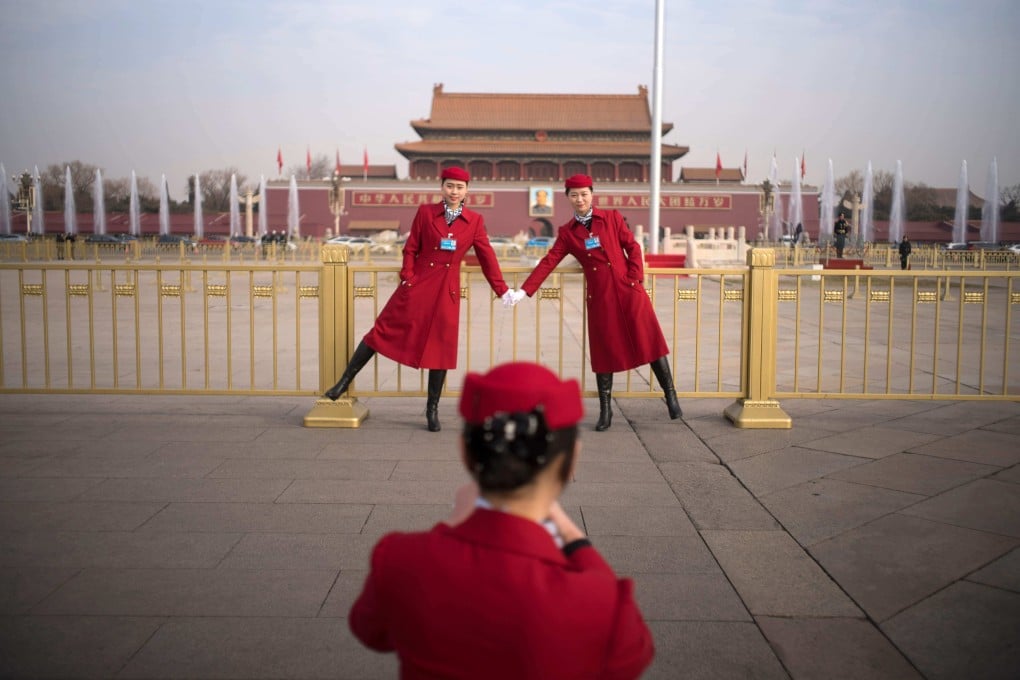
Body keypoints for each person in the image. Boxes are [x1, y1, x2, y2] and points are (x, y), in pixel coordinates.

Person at [349, 362, 655, 679]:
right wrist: (573, 536)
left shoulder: (399, 561)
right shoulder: (599, 603)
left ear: (465, 452)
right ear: (572, 459)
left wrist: (454, 528)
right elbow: (634, 656)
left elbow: (369, 630)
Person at [324, 166, 514, 432]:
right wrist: (408, 276)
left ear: (467, 191)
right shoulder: (425, 213)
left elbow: (487, 258)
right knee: (380, 331)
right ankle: (342, 384)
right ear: (441, 187)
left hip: (446, 292)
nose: (454, 192)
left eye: (459, 187)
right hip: (417, 286)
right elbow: (411, 247)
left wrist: (502, 289)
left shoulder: (475, 221)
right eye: (449, 186)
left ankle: (431, 410)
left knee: (441, 349)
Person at [509, 174, 681, 430]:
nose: (580, 199)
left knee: (650, 341)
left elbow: (632, 247)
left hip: (629, 291)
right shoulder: (568, 232)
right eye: (574, 195)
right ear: (568, 198)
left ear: (592, 194)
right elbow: (549, 261)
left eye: (584, 194)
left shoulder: (611, 217)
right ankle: (606, 411)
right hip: (601, 298)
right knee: (604, 352)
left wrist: (634, 277)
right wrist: (524, 291)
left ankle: (671, 397)